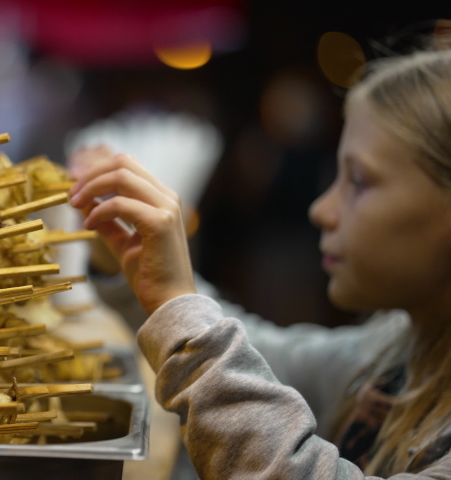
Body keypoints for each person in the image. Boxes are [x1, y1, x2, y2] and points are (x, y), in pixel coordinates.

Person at [68, 48, 451, 479]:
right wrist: (141, 271)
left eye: (358, 182)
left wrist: (179, 307)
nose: (322, 210)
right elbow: (265, 362)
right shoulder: (394, 352)